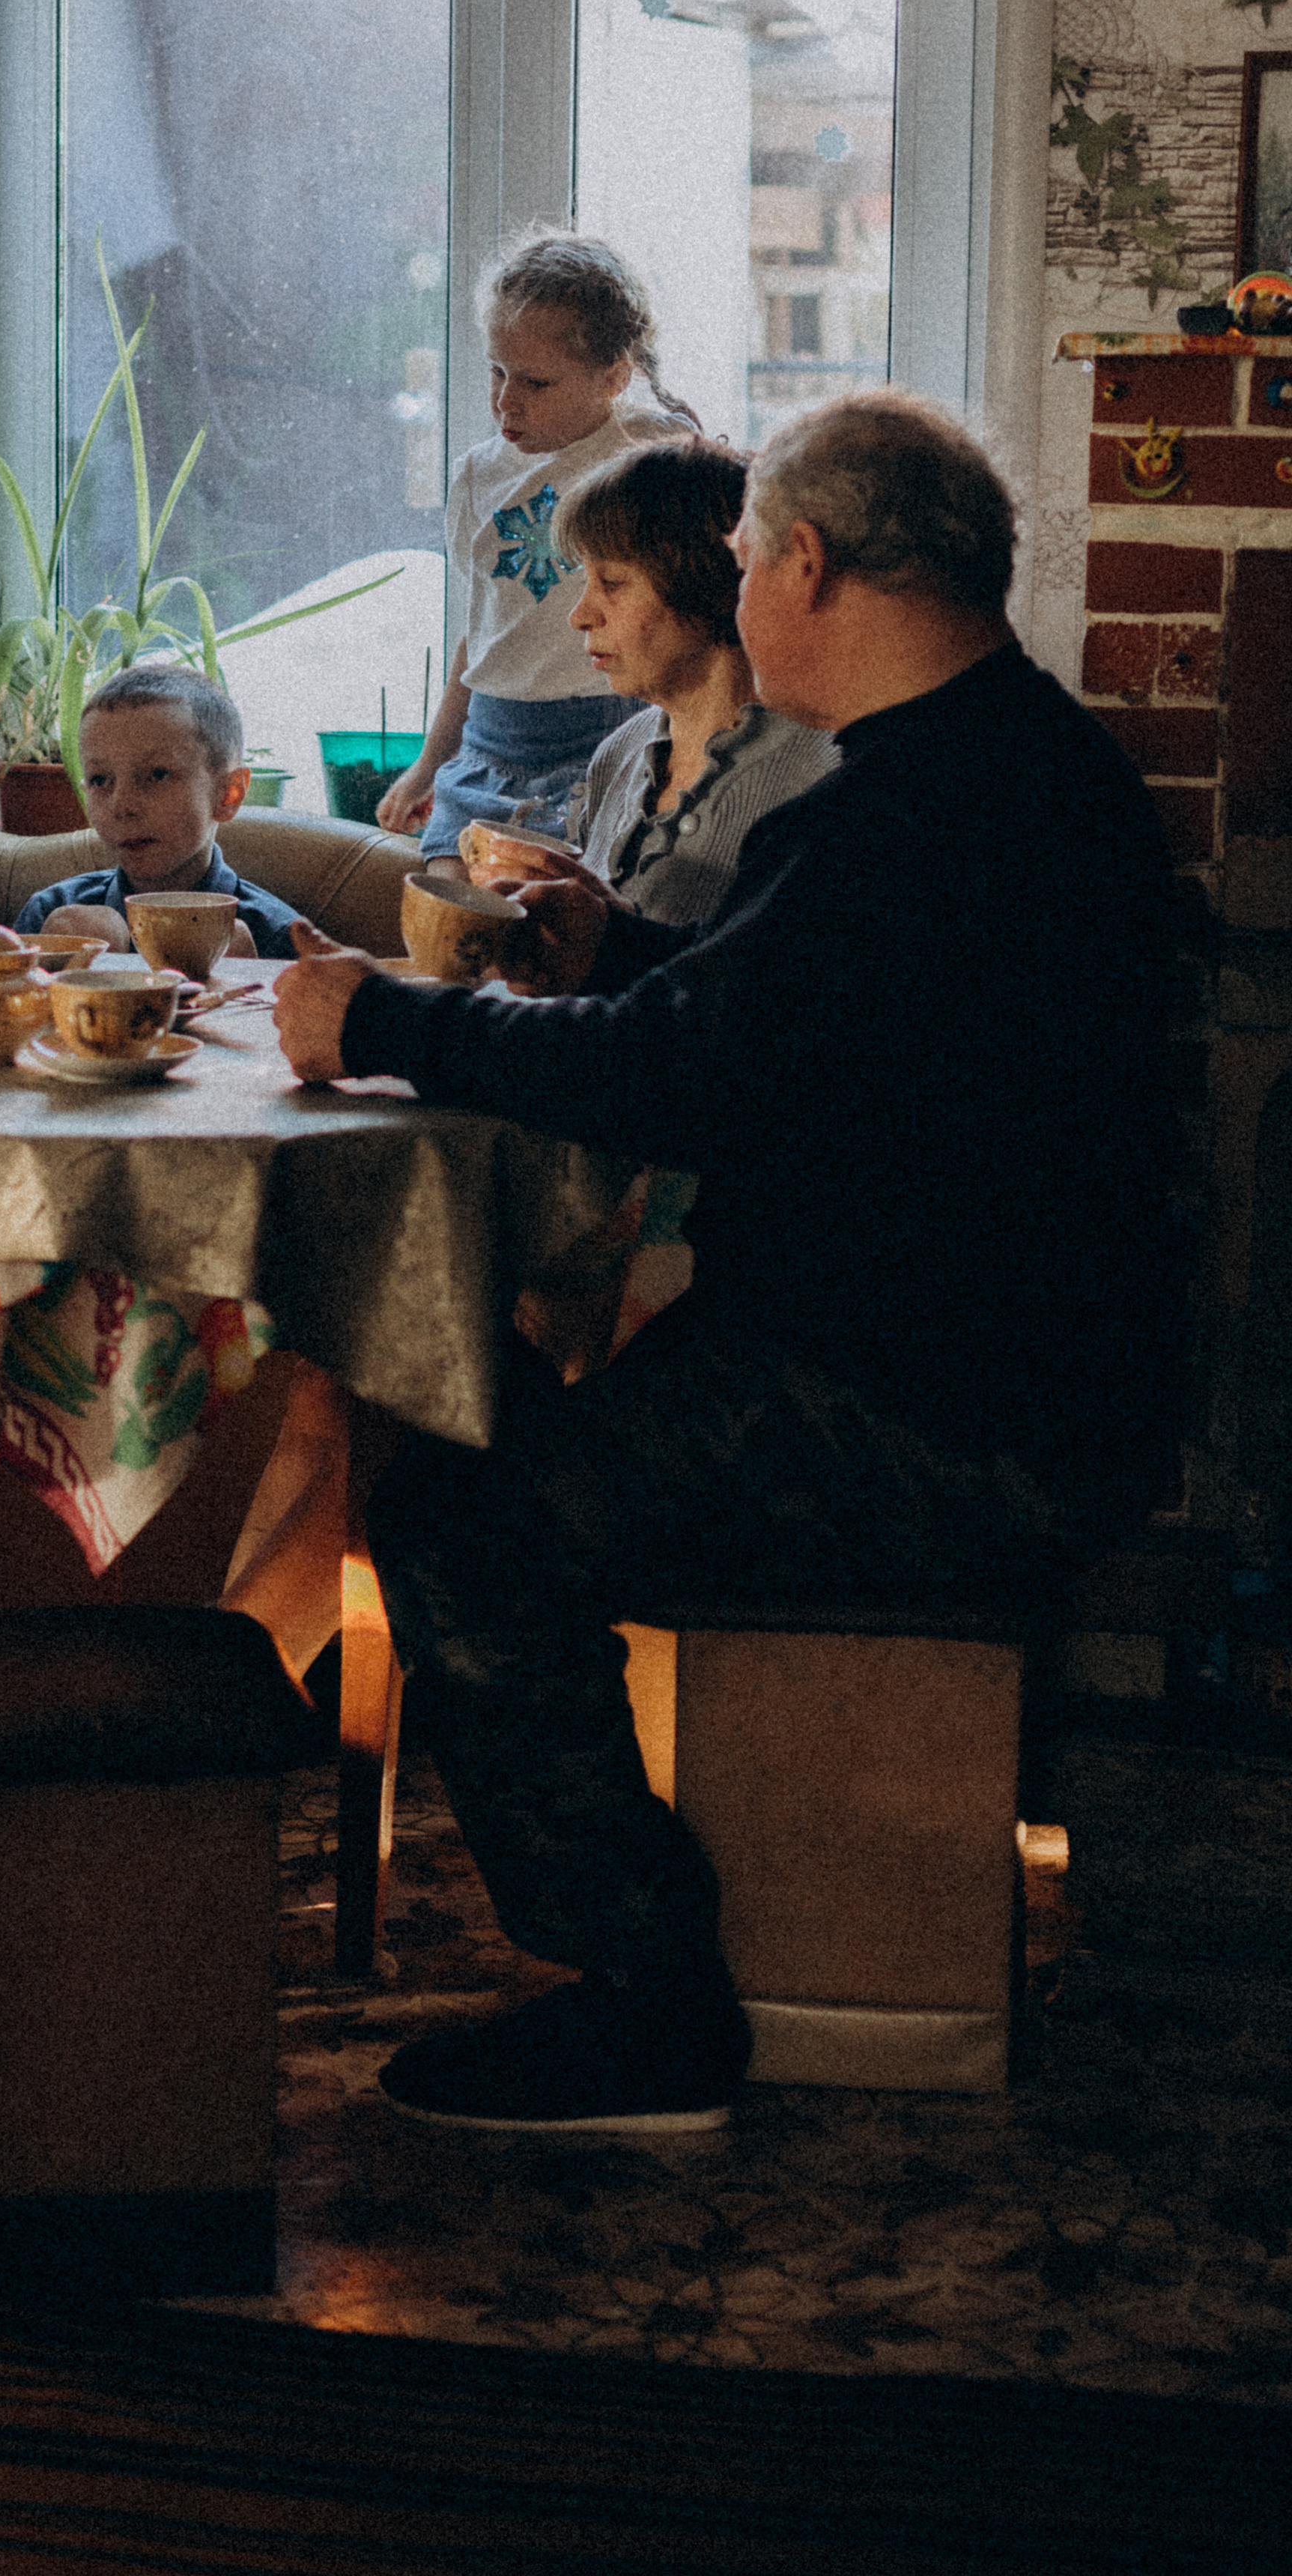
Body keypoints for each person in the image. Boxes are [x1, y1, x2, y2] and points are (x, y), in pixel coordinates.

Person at [273, 390, 1186, 2139]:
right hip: (1001, 1372)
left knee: (463, 1521)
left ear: (808, 566)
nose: (740, 586)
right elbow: (782, 1022)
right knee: (513, 1459)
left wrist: (381, 1015)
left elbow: (682, 1074)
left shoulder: (899, 817)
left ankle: (644, 2007)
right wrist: (617, 940)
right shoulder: (1011, 766)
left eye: (751, 556)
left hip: (929, 1418)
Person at [375, 230, 700, 869]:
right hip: (488, 745)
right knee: (451, 917)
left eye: (537, 382)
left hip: (608, 739)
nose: (506, 399)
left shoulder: (654, 451)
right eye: (496, 372)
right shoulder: (475, 478)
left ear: (614, 377)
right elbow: (480, 638)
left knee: (558, 927)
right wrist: (428, 765)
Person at [506, 436, 838, 956]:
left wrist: (616, 939)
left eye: (612, 582)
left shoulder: (823, 776)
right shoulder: (618, 753)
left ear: (704, 582)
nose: (581, 615)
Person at [14, 664, 301, 960]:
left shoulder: (278, 938)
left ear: (229, 793)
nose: (122, 806)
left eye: (157, 775)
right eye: (100, 780)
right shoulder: (50, 916)